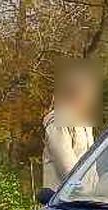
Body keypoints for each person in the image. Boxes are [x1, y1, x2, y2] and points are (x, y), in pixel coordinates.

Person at [42, 61, 100, 190]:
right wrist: (85, 193)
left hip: (86, 199)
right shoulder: (59, 122)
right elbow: (68, 171)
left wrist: (98, 193)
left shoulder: (85, 124)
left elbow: (91, 168)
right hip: (62, 199)